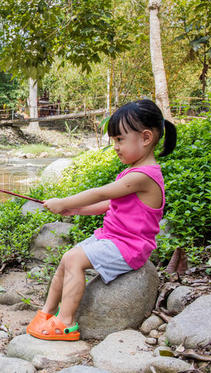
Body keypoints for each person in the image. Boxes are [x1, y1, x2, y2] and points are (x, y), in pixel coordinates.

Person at [26, 99, 177, 341]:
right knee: (67, 259)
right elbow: (110, 204)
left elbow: (102, 193)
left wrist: (65, 201)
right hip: (113, 238)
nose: (115, 146)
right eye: (114, 140)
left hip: (130, 246)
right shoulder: (134, 172)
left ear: (146, 138)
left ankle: (66, 323)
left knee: (74, 260)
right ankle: (46, 313)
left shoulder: (144, 175)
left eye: (120, 139)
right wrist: (76, 211)